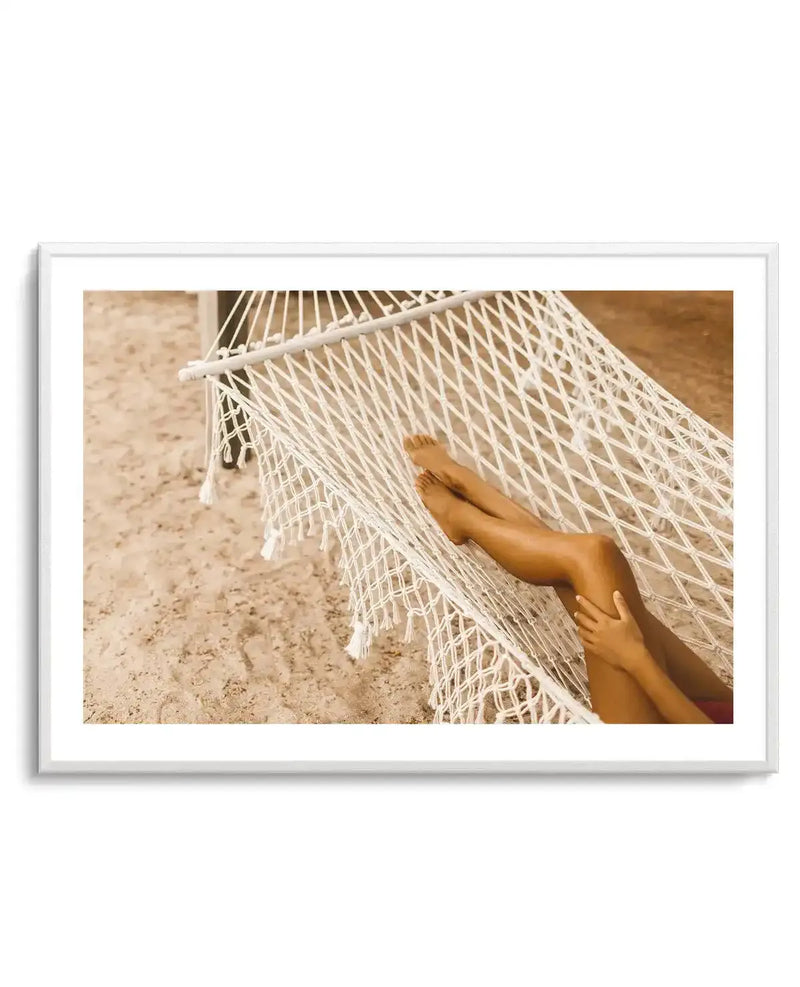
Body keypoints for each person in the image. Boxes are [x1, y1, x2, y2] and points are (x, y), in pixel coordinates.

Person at [403, 434, 733, 724]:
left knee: (593, 555)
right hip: (727, 711)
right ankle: (468, 493)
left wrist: (636, 660)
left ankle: (462, 515)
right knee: (582, 565)